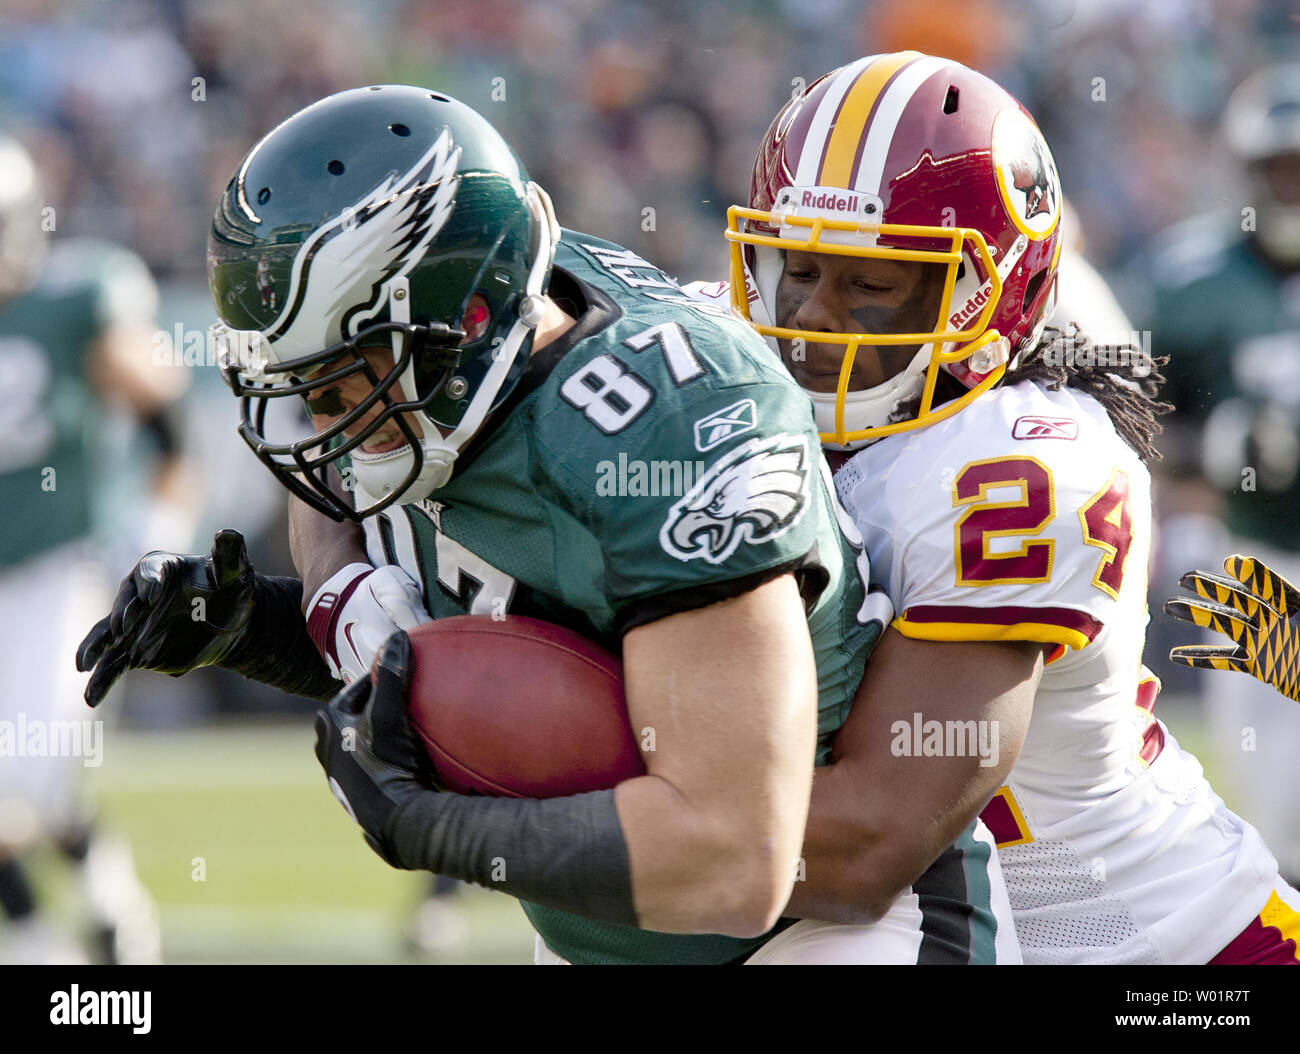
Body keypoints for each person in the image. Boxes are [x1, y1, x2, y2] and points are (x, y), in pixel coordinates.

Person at [81, 85, 1022, 965]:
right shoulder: (433, 380)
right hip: (614, 936)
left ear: (464, 325)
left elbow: (738, 858)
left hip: (819, 935)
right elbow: (484, 648)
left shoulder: (667, 433)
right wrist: (270, 624)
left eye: (335, 384)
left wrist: (436, 830)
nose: (320, 431)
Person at [713, 51, 1299, 964]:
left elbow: (869, 847)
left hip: (1165, 948)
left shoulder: (1012, 465)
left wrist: (540, 808)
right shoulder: (725, 371)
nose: (814, 316)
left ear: (991, 296)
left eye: (869, 283)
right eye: (796, 269)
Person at [0, 133, 178, 964]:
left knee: (24, 779)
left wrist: (160, 526)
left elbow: (162, 412)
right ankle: (79, 921)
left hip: (54, 567)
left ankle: (76, 931)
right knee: (25, 783)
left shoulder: (73, 299)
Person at [1141, 63, 1300, 887]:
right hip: (1260, 556)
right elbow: (1133, 422)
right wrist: (1225, 444)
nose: (1294, 187)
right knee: (1281, 794)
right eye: (1282, 169)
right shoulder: (1193, 279)